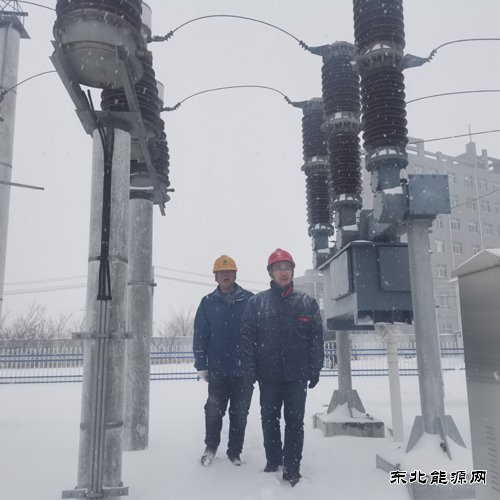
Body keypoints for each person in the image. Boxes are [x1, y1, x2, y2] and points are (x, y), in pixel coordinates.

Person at [240, 248, 324, 486]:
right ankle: (273, 460)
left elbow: (316, 338)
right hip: (268, 375)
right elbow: (247, 339)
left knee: (295, 422)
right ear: (270, 272)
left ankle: (292, 467)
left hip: (297, 375)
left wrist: (315, 368)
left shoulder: (306, 303)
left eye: (287, 268)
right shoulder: (257, 303)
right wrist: (250, 369)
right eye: (278, 268)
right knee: (269, 419)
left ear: (292, 271)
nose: (283, 272)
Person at [193, 255, 254, 467]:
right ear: (216, 277)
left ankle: (234, 452)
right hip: (218, 369)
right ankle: (210, 447)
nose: (225, 275)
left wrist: (256, 364)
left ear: (235, 275)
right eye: (221, 273)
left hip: (244, 371)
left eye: (229, 272)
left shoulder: (250, 300)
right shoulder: (207, 303)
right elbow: (200, 334)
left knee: (240, 413)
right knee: (213, 411)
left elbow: (259, 334)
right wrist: (201, 364)